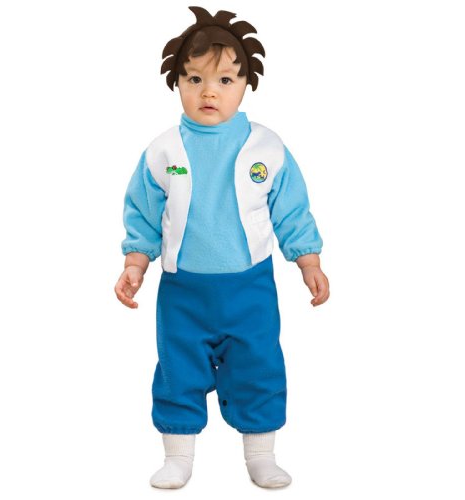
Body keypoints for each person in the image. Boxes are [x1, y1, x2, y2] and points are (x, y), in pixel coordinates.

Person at [114, 6, 330, 489]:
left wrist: (308, 260)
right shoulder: (164, 151)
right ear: (176, 83)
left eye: (225, 80)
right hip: (183, 291)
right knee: (177, 367)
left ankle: (261, 454)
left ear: (246, 84)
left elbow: (291, 210)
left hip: (249, 288)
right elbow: (143, 212)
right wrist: (135, 263)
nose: (209, 92)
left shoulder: (266, 149)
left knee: (258, 364)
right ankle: (178, 456)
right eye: (194, 79)